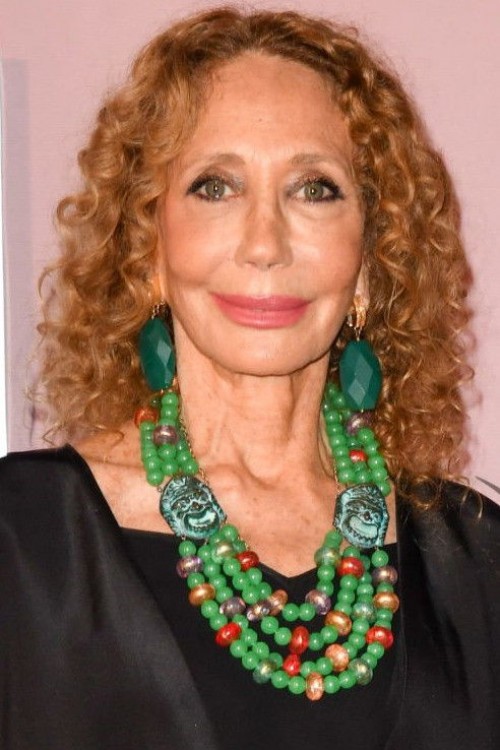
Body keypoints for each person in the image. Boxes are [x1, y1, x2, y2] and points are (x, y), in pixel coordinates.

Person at [1, 6, 499, 749]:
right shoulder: (23, 538)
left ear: (368, 259)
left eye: (314, 188)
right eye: (216, 186)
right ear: (148, 246)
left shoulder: (477, 559)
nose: (265, 243)